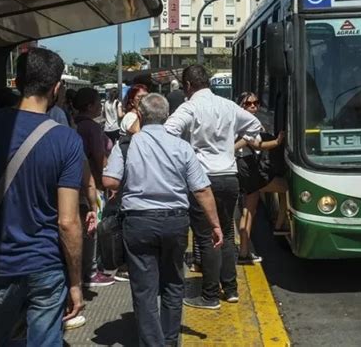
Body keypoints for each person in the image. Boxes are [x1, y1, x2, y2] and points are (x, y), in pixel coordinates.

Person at [103, 93, 223, 347]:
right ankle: (169, 341)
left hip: (138, 223)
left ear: (141, 115)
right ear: (167, 116)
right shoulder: (182, 146)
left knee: (144, 289)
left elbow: (109, 181)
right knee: (173, 282)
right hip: (175, 222)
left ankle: (152, 343)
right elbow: (201, 189)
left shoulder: (126, 144)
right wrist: (214, 224)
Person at [0, 48, 84, 345]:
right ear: (57, 88)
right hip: (45, 265)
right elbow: (68, 222)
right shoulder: (66, 140)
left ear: (17, 81)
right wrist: (76, 282)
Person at [164, 65, 261, 310]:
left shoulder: (189, 107)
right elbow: (254, 127)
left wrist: (188, 152)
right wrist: (231, 146)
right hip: (229, 176)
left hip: (202, 179)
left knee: (206, 236)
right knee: (227, 233)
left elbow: (169, 131)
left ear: (187, 86)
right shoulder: (228, 105)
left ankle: (209, 296)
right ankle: (230, 289)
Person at [235, 92, 288, 264]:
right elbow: (258, 144)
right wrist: (278, 142)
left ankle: (244, 250)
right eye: (248, 104)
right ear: (241, 106)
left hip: (242, 168)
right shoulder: (247, 124)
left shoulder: (236, 120)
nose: (253, 106)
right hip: (248, 168)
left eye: (256, 103)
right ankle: (280, 226)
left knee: (248, 210)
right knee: (284, 188)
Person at [73, 87, 114, 287]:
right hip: (93, 182)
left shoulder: (75, 124)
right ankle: (91, 270)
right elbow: (100, 157)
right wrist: (107, 178)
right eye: (98, 102)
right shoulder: (92, 127)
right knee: (93, 226)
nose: (101, 106)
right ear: (89, 106)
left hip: (76, 182)